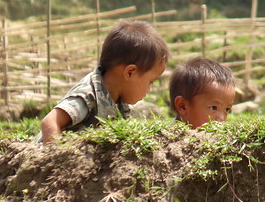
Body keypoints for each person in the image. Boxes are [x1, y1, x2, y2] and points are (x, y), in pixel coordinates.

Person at [38, 20, 169, 145]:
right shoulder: (88, 95)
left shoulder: (119, 102)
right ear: (130, 72)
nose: (149, 90)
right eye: (151, 82)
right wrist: (58, 162)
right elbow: (50, 122)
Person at [169, 57, 235, 128]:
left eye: (227, 109)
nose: (222, 118)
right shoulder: (169, 138)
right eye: (213, 108)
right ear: (182, 106)